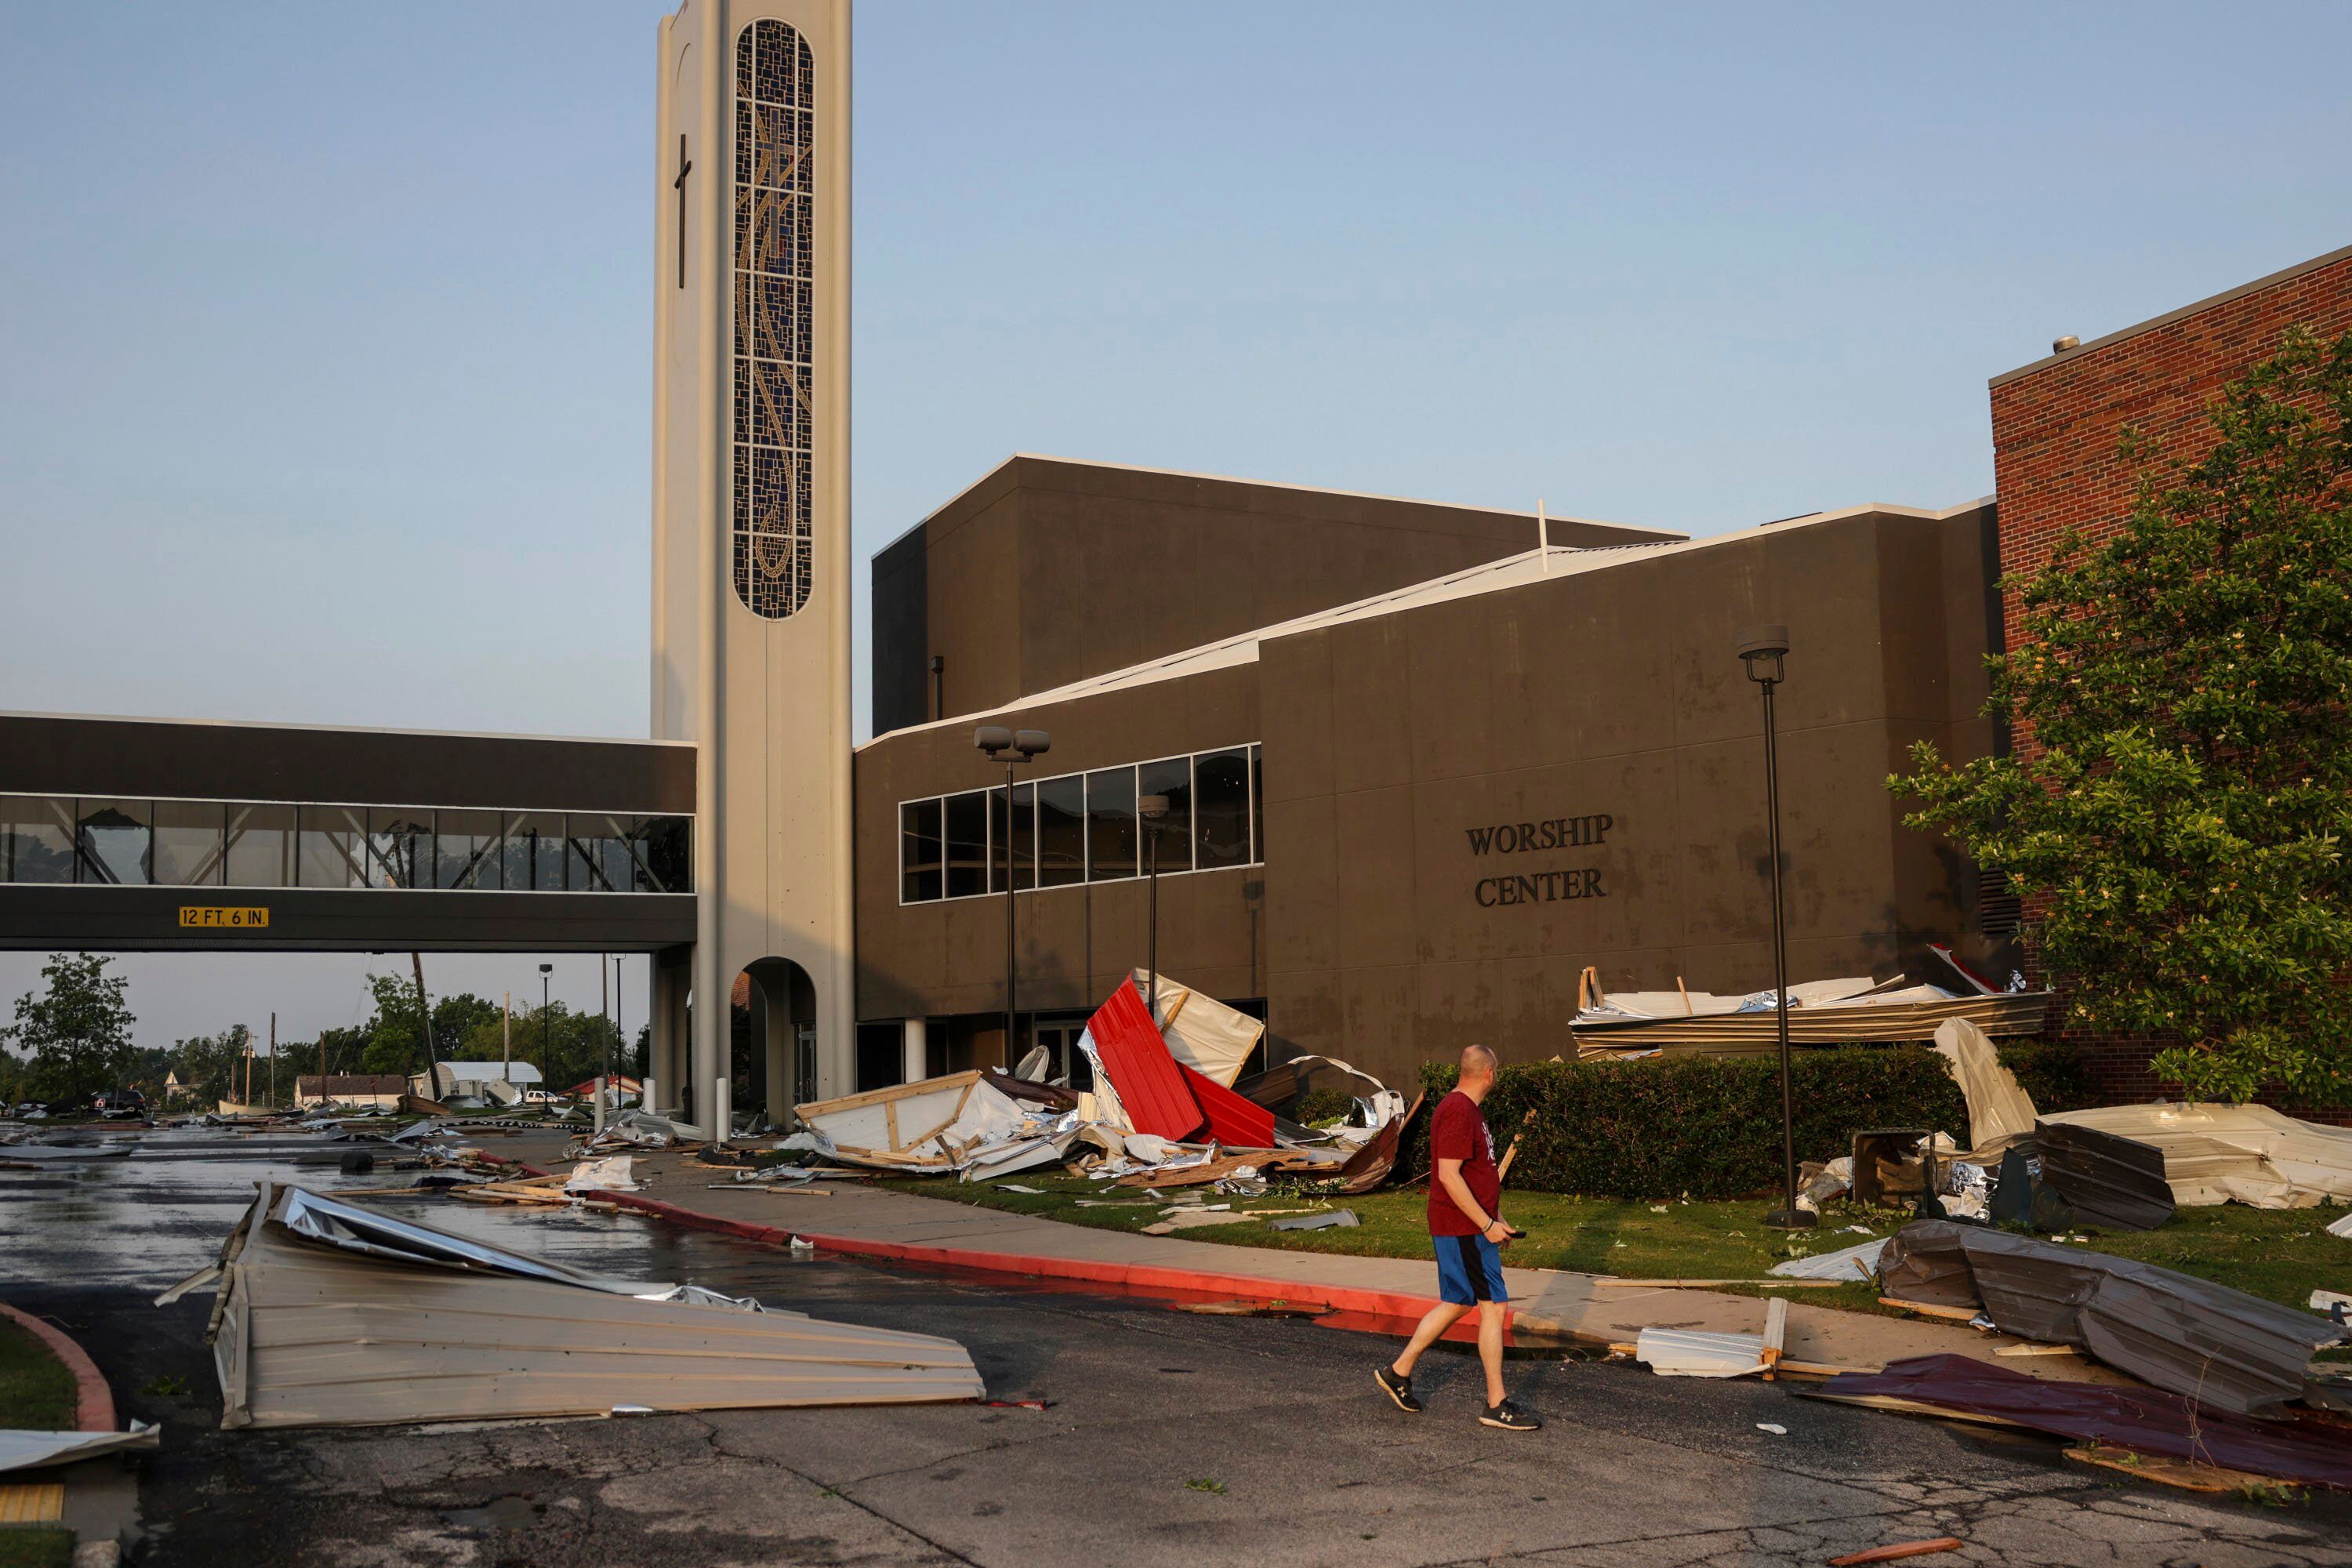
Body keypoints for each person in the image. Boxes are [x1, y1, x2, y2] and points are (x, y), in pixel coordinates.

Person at [1374, 1043, 1538, 1430]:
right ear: (1489, 1073)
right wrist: (1484, 1225)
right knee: (1493, 1306)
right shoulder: (1459, 1111)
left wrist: (1497, 1219)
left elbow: (1475, 1176)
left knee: (1459, 1302)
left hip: (1470, 1226)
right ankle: (1497, 1404)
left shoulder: (1466, 1110)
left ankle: (1399, 1372)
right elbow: (1448, 1176)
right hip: (1463, 1228)